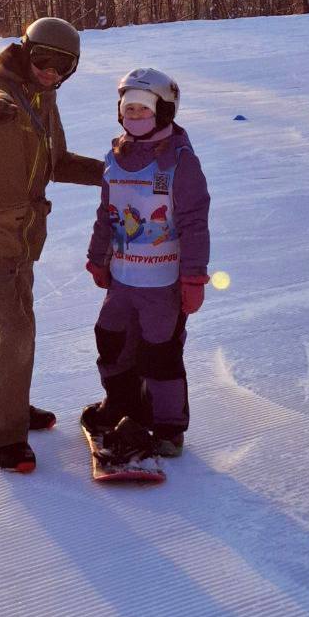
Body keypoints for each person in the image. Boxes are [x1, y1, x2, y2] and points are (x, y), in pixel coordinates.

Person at [0, 17, 104, 473]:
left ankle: (6, 406)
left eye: (62, 67)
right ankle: (6, 435)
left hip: (19, 233)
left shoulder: (43, 99)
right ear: (25, 51)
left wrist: (113, 174)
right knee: (14, 328)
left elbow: (56, 162)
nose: (50, 71)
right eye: (43, 60)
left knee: (15, 324)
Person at [83, 68, 210, 458]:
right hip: (123, 277)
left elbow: (193, 222)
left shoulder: (179, 162)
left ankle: (168, 425)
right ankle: (122, 404)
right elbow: (106, 213)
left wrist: (193, 278)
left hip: (162, 282)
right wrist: (97, 257)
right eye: (128, 109)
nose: (134, 117)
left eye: (144, 109)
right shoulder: (115, 158)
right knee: (111, 338)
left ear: (165, 111)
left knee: (160, 353)